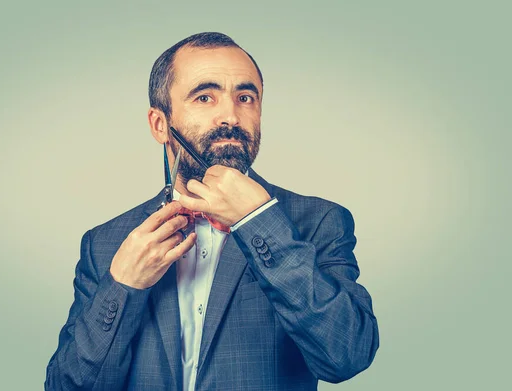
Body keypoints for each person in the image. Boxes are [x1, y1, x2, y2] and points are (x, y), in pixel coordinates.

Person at [45, 32, 379, 391]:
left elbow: (347, 356)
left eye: (245, 97)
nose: (231, 116)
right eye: (205, 97)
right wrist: (122, 286)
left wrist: (258, 222)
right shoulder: (104, 243)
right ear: (160, 125)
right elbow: (67, 386)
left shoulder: (319, 222)